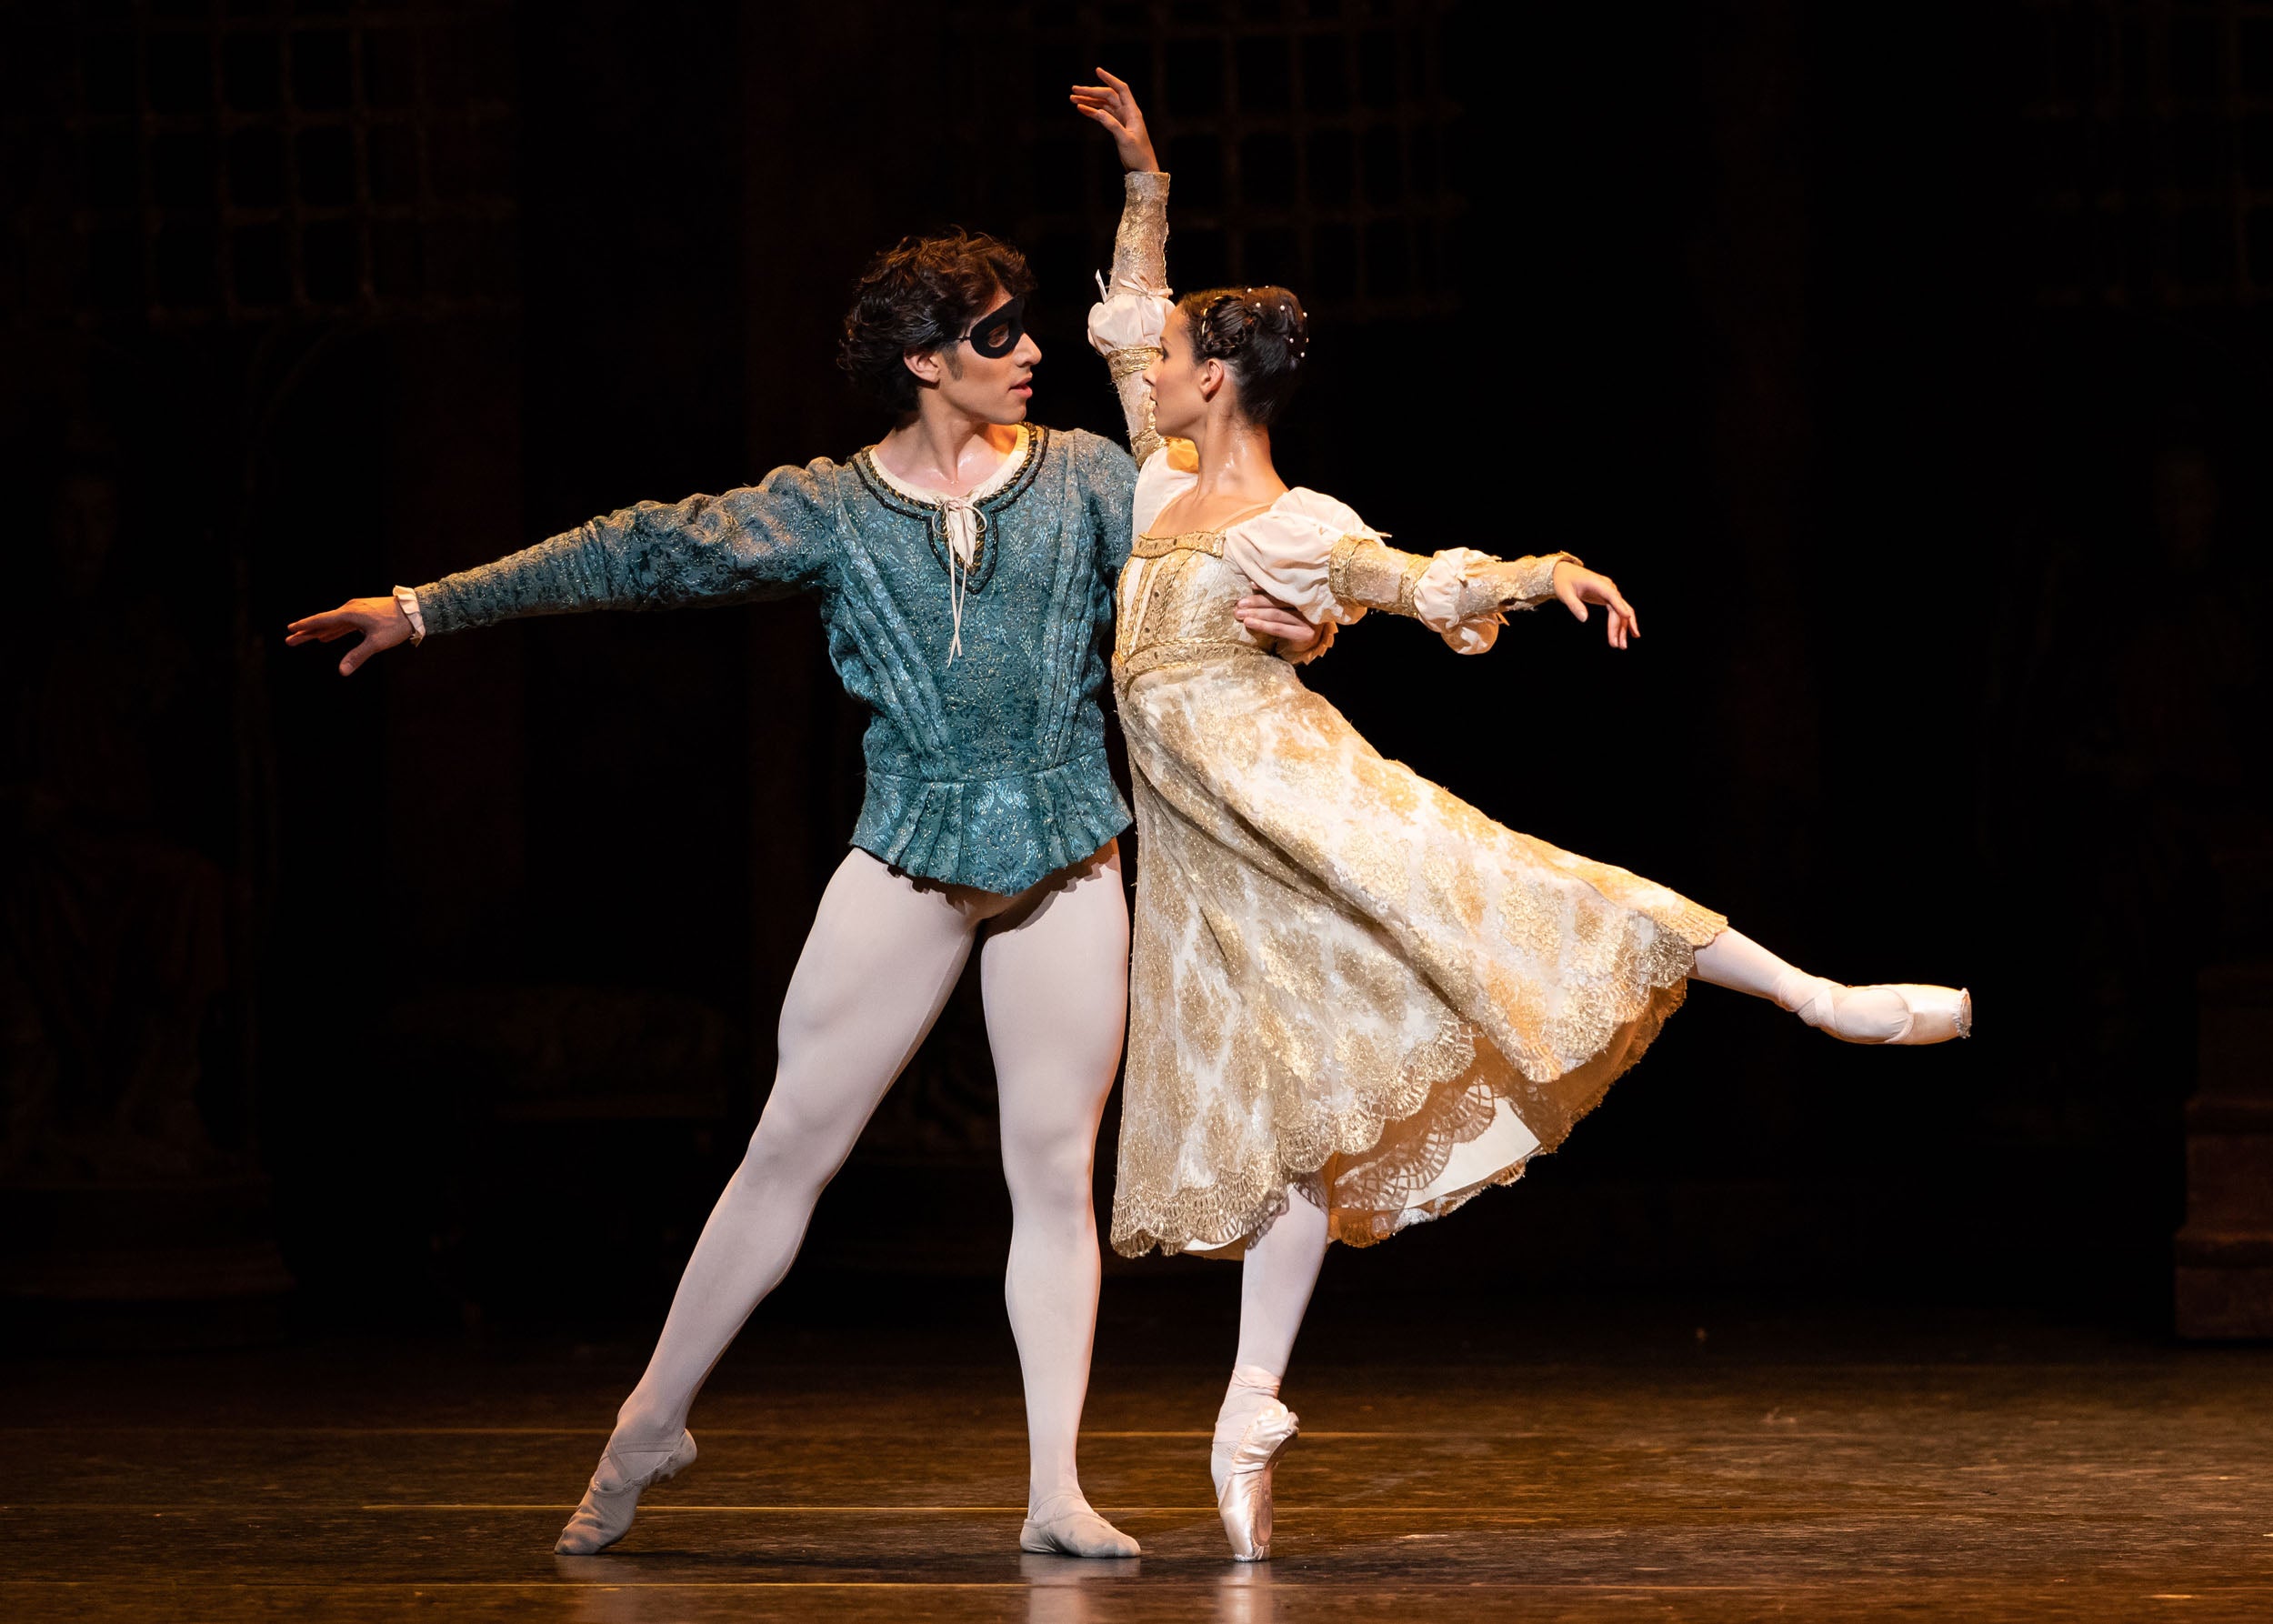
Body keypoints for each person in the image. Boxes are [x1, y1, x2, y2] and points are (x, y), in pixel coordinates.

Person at [285, 174, 1317, 1558]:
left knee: (1052, 1169)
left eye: (1026, 330)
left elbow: (1224, 548)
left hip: (1070, 851)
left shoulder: (1082, 475)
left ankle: (1054, 1486)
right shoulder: (834, 508)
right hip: (906, 853)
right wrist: (425, 607)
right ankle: (650, 1419)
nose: (1030, 352)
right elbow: (639, 550)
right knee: (786, 1150)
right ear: (922, 360)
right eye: (1001, 334)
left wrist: (1297, 624)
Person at [1072, 72, 1971, 1563]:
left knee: (1537, 895)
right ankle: (1247, 1414)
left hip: (1311, 803)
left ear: (1218, 380)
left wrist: (1542, 569)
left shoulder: (1296, 524)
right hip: (1225, 865)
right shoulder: (1163, 475)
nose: (1151, 366)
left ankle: (1820, 997)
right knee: (1301, 1119)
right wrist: (1148, 180)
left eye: (1171, 358)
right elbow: (1140, 301)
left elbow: (1420, 583)